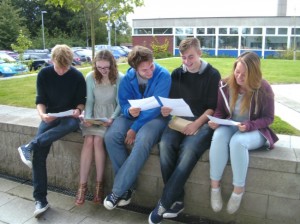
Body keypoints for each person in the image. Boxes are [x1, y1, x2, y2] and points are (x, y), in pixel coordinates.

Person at [148, 37, 221, 224]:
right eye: (183, 58)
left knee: (188, 151)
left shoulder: (212, 75)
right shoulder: (177, 74)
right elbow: (172, 102)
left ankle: (164, 203)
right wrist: (167, 109)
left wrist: (196, 124)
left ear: (200, 54)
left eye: (191, 57)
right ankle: (177, 199)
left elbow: (212, 108)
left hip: (202, 123)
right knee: (165, 145)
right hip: (179, 120)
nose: (187, 62)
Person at [17, 44, 86, 217]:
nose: (62, 71)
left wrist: (78, 110)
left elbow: (81, 102)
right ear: (52, 60)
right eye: (58, 67)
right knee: (39, 153)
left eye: (66, 67)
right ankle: (40, 200)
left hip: (69, 118)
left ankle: (30, 145)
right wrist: (42, 115)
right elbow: (40, 100)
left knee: (71, 125)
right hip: (50, 116)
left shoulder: (77, 76)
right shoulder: (44, 74)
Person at [208, 51, 279, 214]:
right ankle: (214, 187)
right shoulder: (225, 85)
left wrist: (248, 126)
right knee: (218, 136)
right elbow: (220, 110)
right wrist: (216, 121)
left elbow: (268, 118)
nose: (239, 77)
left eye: (244, 74)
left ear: (253, 74)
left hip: (255, 129)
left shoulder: (264, 88)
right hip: (232, 125)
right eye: (237, 71)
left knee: (238, 142)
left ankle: (238, 189)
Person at [103, 45, 171, 210]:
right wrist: (128, 111)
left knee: (143, 140)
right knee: (111, 137)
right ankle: (128, 186)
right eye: (144, 70)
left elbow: (156, 107)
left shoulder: (163, 76)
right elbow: (124, 102)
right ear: (135, 69)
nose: (150, 72)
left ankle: (117, 191)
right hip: (132, 117)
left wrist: (135, 128)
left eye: (151, 66)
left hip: (156, 118)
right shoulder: (128, 78)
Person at [75, 50, 123, 206]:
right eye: (100, 67)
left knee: (97, 142)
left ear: (112, 65)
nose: (103, 71)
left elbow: (120, 103)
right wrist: (88, 118)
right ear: (95, 65)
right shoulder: (90, 77)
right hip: (95, 113)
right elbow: (89, 101)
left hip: (111, 115)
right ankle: (82, 187)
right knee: (88, 140)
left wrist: (112, 118)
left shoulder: (119, 78)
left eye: (106, 67)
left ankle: (99, 185)